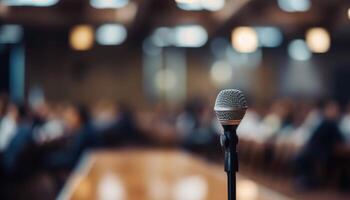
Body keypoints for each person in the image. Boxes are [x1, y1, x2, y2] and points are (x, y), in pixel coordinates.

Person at [294, 100, 344, 190]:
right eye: (329, 109)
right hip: (314, 149)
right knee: (299, 157)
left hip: (325, 152)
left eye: (333, 109)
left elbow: (339, 139)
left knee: (304, 157)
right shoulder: (324, 122)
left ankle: (310, 181)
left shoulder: (333, 123)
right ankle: (306, 179)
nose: (330, 111)